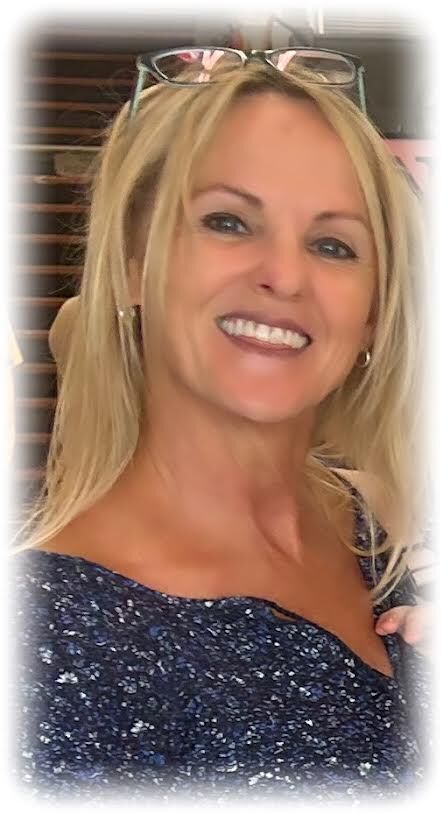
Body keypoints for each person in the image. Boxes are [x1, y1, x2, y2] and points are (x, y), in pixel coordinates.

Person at [12, 47, 430, 803]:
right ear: (133, 263)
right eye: (228, 222)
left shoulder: (382, 527)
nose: (285, 276)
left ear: (373, 311)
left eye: (332, 244)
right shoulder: (40, 643)